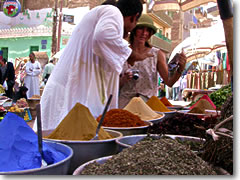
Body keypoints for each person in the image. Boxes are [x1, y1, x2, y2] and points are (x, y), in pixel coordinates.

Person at [37, 0, 152, 131]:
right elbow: (103, 35)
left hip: (68, 90)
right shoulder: (113, 11)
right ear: (134, 17)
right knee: (58, 142)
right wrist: (131, 55)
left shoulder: (99, 17)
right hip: (65, 91)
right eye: (136, 25)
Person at [119, 14, 186, 108]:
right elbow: (113, 84)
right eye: (141, 28)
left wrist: (180, 69)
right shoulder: (123, 52)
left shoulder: (157, 54)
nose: (144, 33)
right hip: (124, 105)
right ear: (134, 30)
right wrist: (123, 80)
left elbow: (169, 82)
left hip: (148, 105)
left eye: (148, 30)